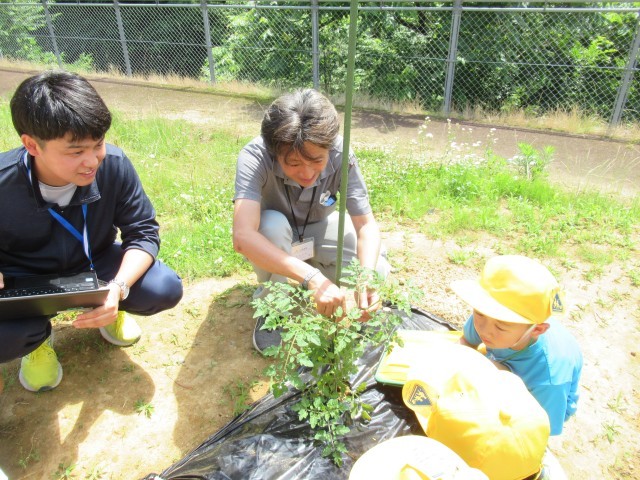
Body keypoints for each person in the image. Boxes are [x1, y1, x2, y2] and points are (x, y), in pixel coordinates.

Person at [0, 71, 183, 392]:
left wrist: (118, 288)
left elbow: (143, 232)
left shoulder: (114, 165)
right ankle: (36, 342)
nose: (92, 161)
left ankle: (109, 307)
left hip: (95, 264)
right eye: (75, 152)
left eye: (98, 144)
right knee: (6, 336)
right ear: (31, 145)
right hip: (25, 277)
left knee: (163, 287)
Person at [232, 89, 391, 354]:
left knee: (378, 268)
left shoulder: (341, 153)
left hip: (317, 228)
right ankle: (274, 309)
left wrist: (365, 278)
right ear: (274, 152)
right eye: (293, 164)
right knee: (271, 226)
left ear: (329, 147)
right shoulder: (254, 156)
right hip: (274, 237)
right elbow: (243, 237)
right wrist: (312, 278)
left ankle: (356, 301)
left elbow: (366, 226)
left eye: (317, 160)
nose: (306, 173)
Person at [450, 254, 582, 436]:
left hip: (539, 403)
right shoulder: (490, 317)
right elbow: (465, 342)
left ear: (537, 330)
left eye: (501, 326)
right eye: (479, 314)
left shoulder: (549, 378)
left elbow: (541, 431)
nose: (484, 331)